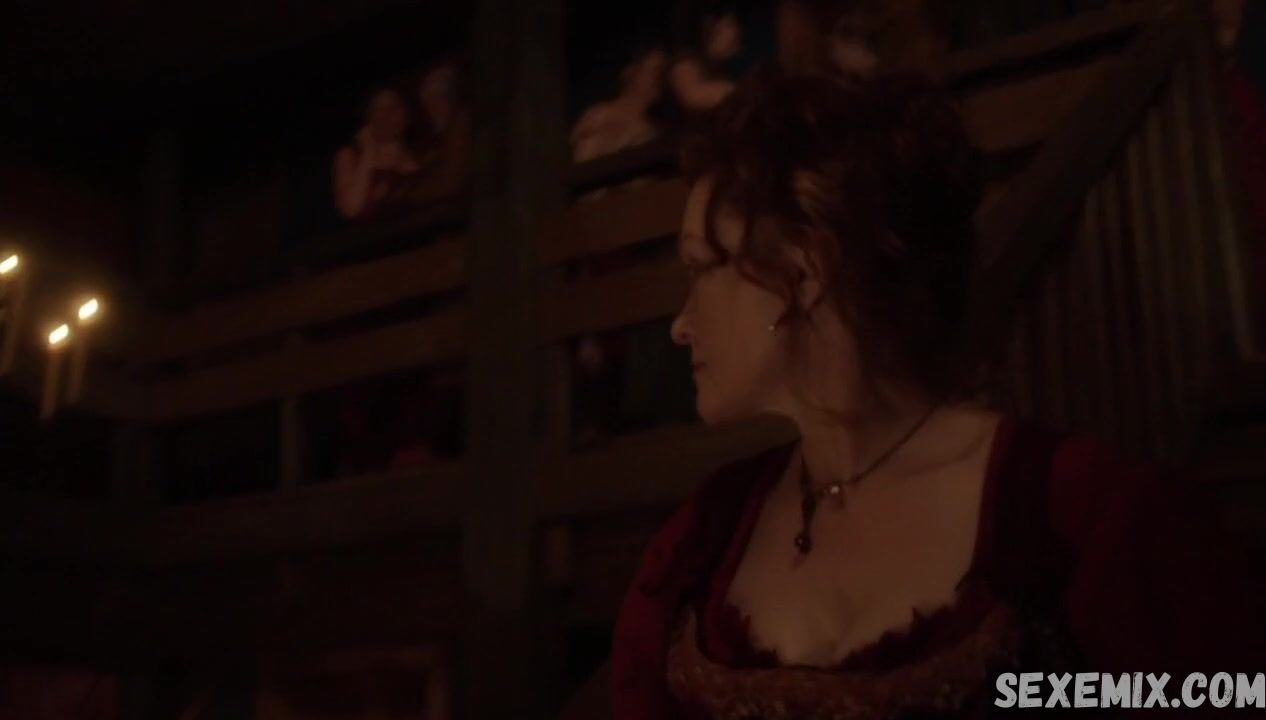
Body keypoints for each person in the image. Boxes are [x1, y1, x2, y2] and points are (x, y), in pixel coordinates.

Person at [611, 69, 1265, 718]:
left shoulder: (1081, 516)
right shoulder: (703, 541)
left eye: (701, 268)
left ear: (803, 272)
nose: (681, 325)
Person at [332, 87, 422, 220]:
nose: (387, 115)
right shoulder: (350, 156)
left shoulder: (421, 153)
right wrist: (368, 152)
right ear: (368, 118)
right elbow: (351, 209)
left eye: (394, 107)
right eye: (379, 109)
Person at [572, 47, 670, 164]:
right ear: (631, 72)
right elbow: (582, 162)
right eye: (655, 69)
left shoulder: (654, 131)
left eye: (663, 72)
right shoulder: (600, 116)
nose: (659, 78)